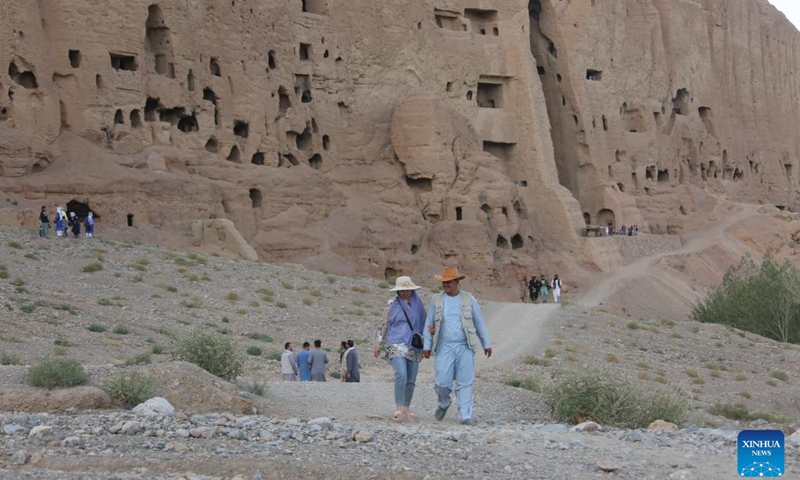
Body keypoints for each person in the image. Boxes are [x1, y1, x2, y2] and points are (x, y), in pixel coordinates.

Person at [423, 267, 492, 426]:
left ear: (457, 282)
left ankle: (465, 415)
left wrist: (486, 344)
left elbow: (479, 322)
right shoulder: (436, 300)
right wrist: (427, 345)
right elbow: (429, 324)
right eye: (444, 282)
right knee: (442, 382)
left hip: (464, 346)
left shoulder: (469, 299)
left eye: (449, 282)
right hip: (444, 346)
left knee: (465, 382)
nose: (446, 285)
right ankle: (444, 403)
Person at [374, 275, 427, 421]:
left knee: (411, 378)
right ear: (397, 291)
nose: (405, 293)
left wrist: (428, 345)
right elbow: (383, 324)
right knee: (401, 375)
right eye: (402, 290)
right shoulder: (392, 306)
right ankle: (398, 408)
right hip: (396, 343)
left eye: (408, 290)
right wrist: (378, 343)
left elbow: (425, 324)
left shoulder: (418, 305)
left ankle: (406, 409)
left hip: (414, 345)